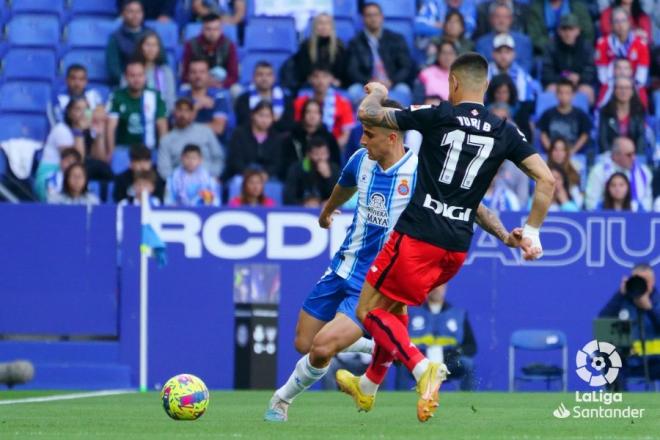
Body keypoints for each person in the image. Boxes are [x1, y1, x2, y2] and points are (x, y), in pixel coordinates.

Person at [264, 98, 528, 423]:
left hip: (374, 280)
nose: (361, 140)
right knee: (303, 343)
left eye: (368, 134)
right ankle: (380, 346)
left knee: (322, 348)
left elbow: (476, 207)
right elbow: (343, 186)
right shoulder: (360, 160)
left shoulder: (421, 171)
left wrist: (504, 236)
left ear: (392, 136)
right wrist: (327, 211)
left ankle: (280, 402)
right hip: (341, 266)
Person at [335, 53, 554, 422]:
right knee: (394, 310)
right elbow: (546, 180)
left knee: (368, 309)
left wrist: (377, 92)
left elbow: (371, 116)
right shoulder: (506, 130)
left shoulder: (437, 114)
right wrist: (525, 233)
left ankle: (423, 369)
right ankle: (368, 386)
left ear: (452, 83)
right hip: (455, 249)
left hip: (418, 236)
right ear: (485, 85)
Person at [396, 284, 477, 391]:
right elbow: (401, 341)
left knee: (467, 363)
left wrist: (457, 352)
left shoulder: (458, 314)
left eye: (440, 285)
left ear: (445, 287)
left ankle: (468, 402)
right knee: (403, 364)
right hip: (420, 360)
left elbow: (471, 346)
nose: (436, 289)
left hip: (449, 361)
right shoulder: (412, 313)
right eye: (433, 286)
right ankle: (401, 401)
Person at [599, 263, 660, 390]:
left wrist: (649, 309)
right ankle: (621, 404)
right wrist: (620, 294)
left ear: (653, 282)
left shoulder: (657, 301)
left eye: (646, 281)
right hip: (629, 361)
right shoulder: (622, 300)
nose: (642, 285)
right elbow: (602, 322)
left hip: (655, 362)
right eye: (638, 281)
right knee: (608, 355)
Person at [36, 98, 112, 201]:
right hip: (51, 176)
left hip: (72, 174)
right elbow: (77, 161)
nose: (82, 114)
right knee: (81, 172)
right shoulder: (61, 130)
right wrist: (78, 131)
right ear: (69, 113)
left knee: (104, 171)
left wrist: (99, 134)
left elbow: (101, 159)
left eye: (86, 110)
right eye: (77, 109)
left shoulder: (88, 129)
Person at [346, 2, 413, 106]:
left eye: (376, 15)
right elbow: (352, 70)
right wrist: (369, 82)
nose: (373, 19)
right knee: (353, 91)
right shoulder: (355, 42)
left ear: (382, 17)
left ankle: (395, 120)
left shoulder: (396, 39)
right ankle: (366, 121)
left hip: (392, 83)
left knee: (404, 90)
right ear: (363, 19)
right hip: (366, 85)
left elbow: (406, 66)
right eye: (369, 15)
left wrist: (391, 81)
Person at [106, 61, 168, 158]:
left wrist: (163, 153)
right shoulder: (117, 96)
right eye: (132, 75)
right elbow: (111, 127)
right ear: (126, 77)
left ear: (145, 77)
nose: (136, 79)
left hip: (149, 149)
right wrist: (111, 152)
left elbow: (162, 125)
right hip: (124, 149)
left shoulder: (155, 96)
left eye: (140, 75)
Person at [158, 97, 224, 180]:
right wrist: (176, 181)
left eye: (187, 111)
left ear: (193, 114)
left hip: (207, 180)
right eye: (179, 110)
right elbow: (164, 169)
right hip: (179, 183)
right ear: (174, 113)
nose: (183, 114)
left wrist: (213, 175)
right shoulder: (166, 140)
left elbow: (218, 157)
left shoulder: (206, 132)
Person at [293, 65, 355, 151]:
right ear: (310, 79)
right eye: (316, 76)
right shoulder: (300, 102)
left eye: (325, 76)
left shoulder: (343, 102)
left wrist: (330, 150)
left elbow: (346, 134)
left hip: (335, 148)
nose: (320, 81)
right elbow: (297, 129)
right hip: (306, 148)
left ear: (331, 78)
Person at [541, 14, 596, 104]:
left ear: (578, 30)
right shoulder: (551, 47)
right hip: (558, 83)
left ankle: (583, 118)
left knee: (587, 91)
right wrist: (563, 78)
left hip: (579, 84)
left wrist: (579, 78)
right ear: (559, 31)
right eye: (564, 29)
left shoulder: (586, 47)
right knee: (550, 90)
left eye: (571, 29)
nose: (568, 33)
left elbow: (591, 71)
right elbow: (547, 73)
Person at [584, 136, 653, 210]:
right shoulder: (598, 171)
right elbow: (591, 203)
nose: (634, 158)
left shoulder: (644, 172)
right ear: (616, 155)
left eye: (634, 153)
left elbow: (647, 202)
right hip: (605, 215)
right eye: (629, 155)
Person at [283, 13, 346, 92]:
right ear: (314, 27)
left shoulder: (339, 46)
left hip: (333, 84)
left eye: (327, 23)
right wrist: (317, 79)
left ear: (332, 27)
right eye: (320, 23)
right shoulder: (306, 46)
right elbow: (302, 71)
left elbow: (342, 72)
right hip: (310, 85)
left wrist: (329, 80)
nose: (324, 26)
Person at [280, 99, 340, 181]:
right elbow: (285, 164)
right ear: (303, 114)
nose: (312, 116)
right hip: (298, 179)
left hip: (323, 178)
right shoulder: (292, 137)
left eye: (316, 112)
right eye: (308, 112)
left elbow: (336, 164)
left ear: (321, 115)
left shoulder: (328, 138)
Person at [595, 7, 650, 97]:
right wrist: (617, 86)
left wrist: (627, 86)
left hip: (634, 86)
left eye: (623, 21)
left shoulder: (641, 44)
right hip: (610, 86)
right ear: (611, 25)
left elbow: (641, 77)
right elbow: (602, 76)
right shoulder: (603, 44)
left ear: (629, 23)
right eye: (616, 21)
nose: (620, 25)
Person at [106, 0, 163, 86]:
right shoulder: (116, 38)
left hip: (153, 82)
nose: (135, 15)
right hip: (127, 85)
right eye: (131, 11)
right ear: (123, 14)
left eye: (138, 11)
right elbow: (114, 70)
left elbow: (162, 60)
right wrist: (131, 83)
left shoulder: (151, 34)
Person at [224, 101, 282, 181]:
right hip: (242, 174)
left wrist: (266, 173)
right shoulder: (239, 134)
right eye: (261, 115)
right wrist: (248, 174)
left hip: (266, 176)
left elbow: (276, 163)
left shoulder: (276, 137)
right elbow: (235, 159)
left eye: (268, 116)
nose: (264, 120)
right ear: (253, 115)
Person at [181, 12, 239, 91]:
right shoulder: (191, 45)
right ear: (202, 29)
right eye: (208, 29)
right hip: (196, 82)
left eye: (216, 29)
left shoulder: (229, 45)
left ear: (221, 30)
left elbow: (233, 75)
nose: (212, 33)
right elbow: (185, 74)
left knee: (236, 90)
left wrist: (221, 84)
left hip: (221, 83)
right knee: (184, 88)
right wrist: (202, 82)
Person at [179, 57, 231, 139]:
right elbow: (178, 127)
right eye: (193, 72)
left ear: (208, 76)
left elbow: (218, 128)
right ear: (188, 76)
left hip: (211, 143)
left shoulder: (219, 97)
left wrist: (187, 126)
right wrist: (196, 107)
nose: (198, 76)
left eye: (202, 72)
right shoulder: (182, 97)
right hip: (185, 142)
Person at [234, 61, 293, 132]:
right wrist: (272, 120)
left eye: (269, 75)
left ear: (274, 78)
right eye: (260, 75)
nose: (264, 78)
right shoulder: (243, 99)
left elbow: (288, 124)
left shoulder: (286, 99)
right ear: (253, 78)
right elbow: (243, 124)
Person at [538, 78, 592, 153]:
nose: (563, 96)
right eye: (561, 93)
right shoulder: (547, 114)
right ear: (556, 94)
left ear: (573, 95)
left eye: (567, 93)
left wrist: (572, 151)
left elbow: (584, 135)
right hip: (552, 154)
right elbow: (543, 135)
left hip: (573, 155)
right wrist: (552, 151)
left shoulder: (581, 115)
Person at [475, 3, 533, 72]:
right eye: (497, 17)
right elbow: (481, 69)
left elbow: (526, 67)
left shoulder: (524, 42)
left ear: (511, 19)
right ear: (491, 19)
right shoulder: (482, 43)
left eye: (505, 17)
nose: (501, 21)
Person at [283, 137, 340, 207]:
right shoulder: (297, 168)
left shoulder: (334, 168)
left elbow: (340, 197)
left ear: (328, 154)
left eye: (323, 154)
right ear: (308, 155)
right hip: (301, 210)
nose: (320, 158)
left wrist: (328, 177)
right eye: (316, 154)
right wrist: (304, 204)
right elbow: (288, 197)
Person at [598, 77, 649, 154]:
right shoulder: (605, 111)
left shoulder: (639, 111)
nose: (623, 91)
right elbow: (603, 139)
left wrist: (636, 157)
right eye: (620, 88)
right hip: (611, 156)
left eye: (627, 88)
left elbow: (641, 138)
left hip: (633, 156)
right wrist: (610, 157)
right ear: (614, 91)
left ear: (632, 92)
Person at [130, 31, 176, 113]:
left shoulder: (166, 71)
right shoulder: (131, 70)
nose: (151, 49)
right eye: (147, 45)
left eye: (154, 45)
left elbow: (170, 100)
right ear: (140, 47)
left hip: (162, 117)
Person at [527, 0, 594, 55]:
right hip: (547, 52)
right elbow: (535, 37)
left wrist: (574, 47)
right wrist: (553, 49)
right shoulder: (536, 8)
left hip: (575, 51)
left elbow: (587, 33)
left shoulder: (578, 7)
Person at [487, 34, 540, 104]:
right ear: (493, 54)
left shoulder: (522, 75)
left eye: (507, 52)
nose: (503, 56)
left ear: (514, 54)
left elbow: (524, 103)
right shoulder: (484, 73)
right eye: (499, 52)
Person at [485, 73, 534, 142]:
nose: (501, 96)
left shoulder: (521, 110)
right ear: (492, 93)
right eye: (498, 92)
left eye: (505, 92)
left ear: (511, 92)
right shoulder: (485, 110)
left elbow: (528, 137)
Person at [546, 137, 583, 206]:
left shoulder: (574, 174)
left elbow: (579, 204)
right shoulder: (542, 172)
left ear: (567, 153)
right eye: (555, 149)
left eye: (562, 150)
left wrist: (565, 202)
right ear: (550, 152)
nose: (558, 153)